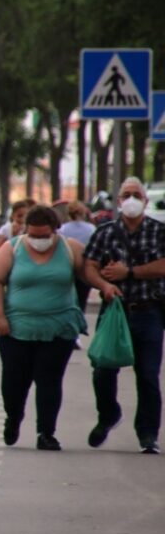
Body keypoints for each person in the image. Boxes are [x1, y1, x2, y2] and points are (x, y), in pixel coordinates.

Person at [0, 205, 87, 451]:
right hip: (15, 329)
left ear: (55, 230)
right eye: (33, 235)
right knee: (14, 382)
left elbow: (88, 274)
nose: (38, 240)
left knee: (49, 381)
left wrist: (105, 286)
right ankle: (14, 417)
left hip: (58, 328)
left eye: (44, 236)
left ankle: (46, 432)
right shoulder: (13, 248)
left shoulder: (70, 248)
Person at [83, 178, 165, 454]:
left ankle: (148, 434)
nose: (131, 199)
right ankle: (108, 414)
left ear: (144, 200)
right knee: (103, 369)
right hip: (115, 313)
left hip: (149, 312)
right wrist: (105, 285)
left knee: (148, 376)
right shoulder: (105, 233)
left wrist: (128, 273)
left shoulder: (158, 231)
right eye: (126, 195)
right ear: (118, 202)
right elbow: (89, 266)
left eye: (136, 195)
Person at [60, 200, 97, 317]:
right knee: (82, 300)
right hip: (85, 269)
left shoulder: (62, 229)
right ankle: (79, 322)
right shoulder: (91, 228)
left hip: (67, 268)